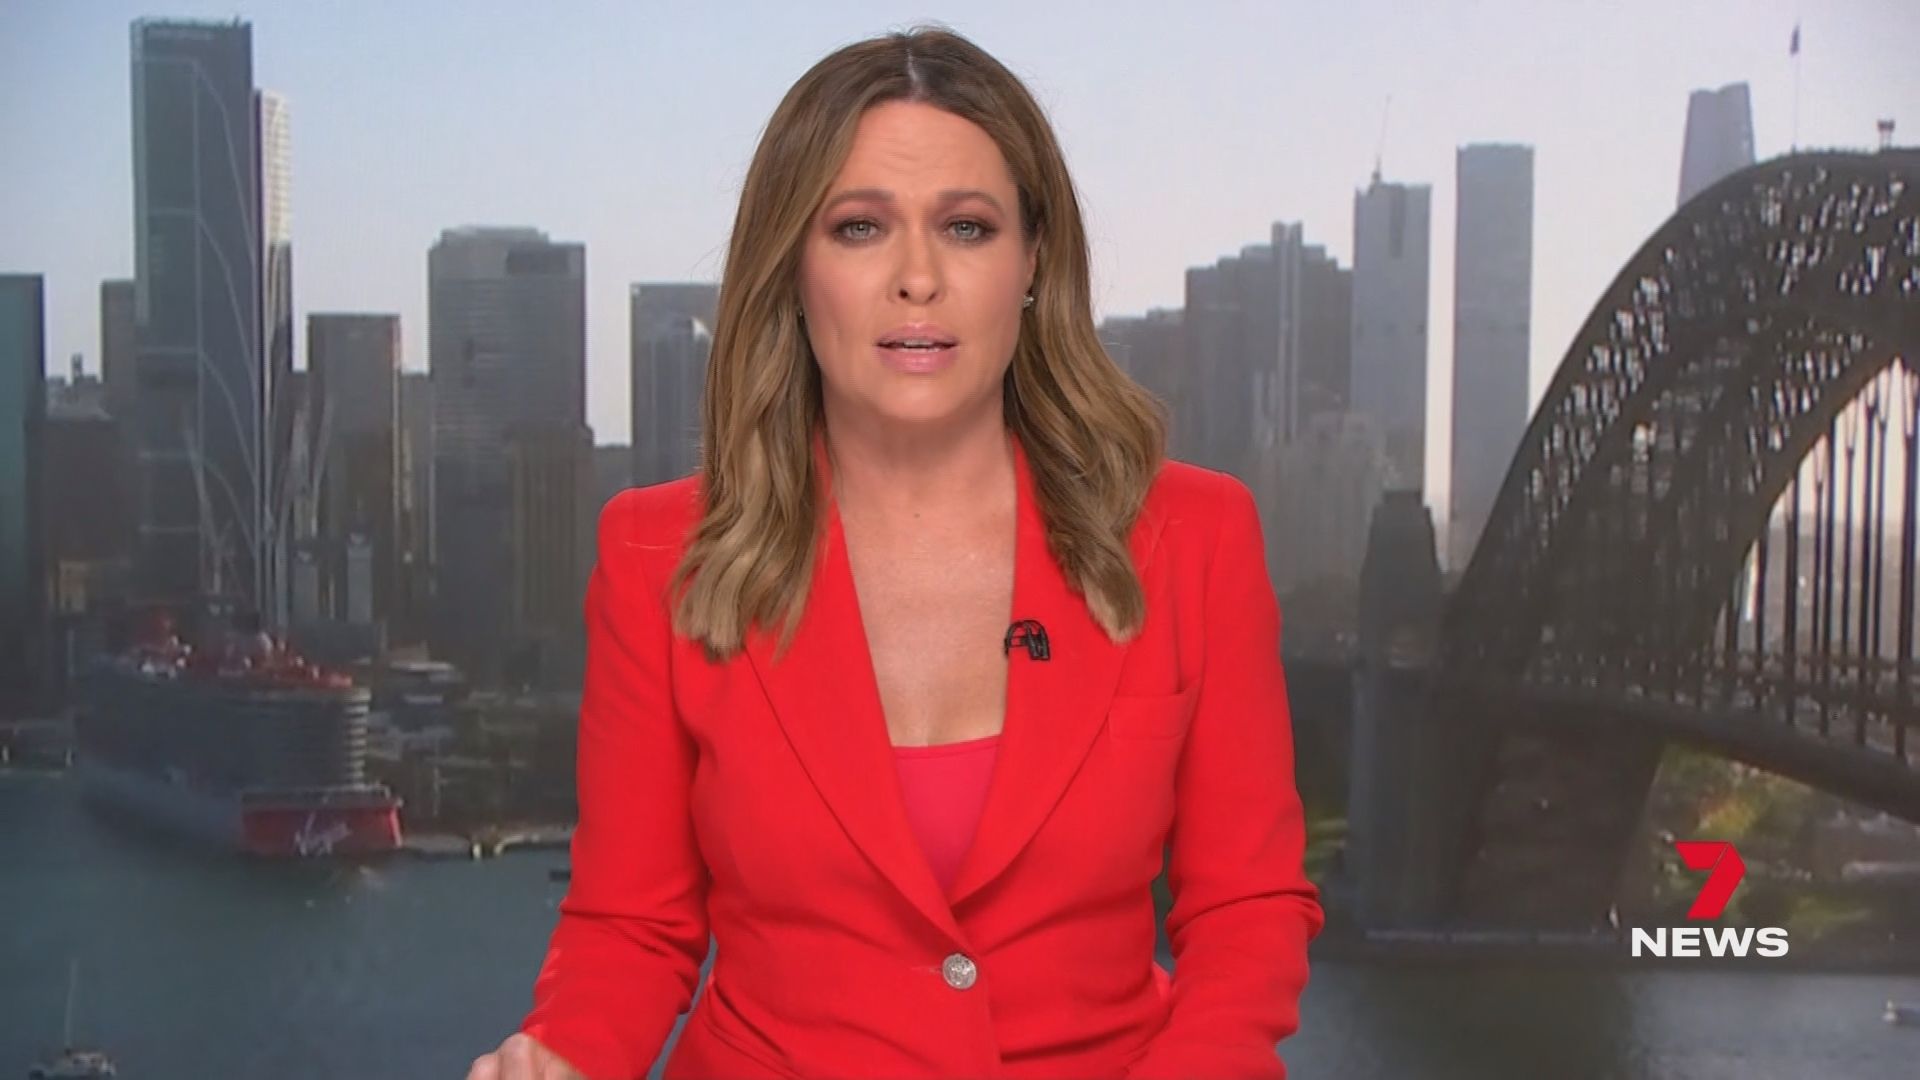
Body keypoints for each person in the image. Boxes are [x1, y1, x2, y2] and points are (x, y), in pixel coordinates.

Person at [468, 25, 1322, 1080]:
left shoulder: (1193, 538)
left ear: (1033, 262)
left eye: (966, 227)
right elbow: (631, 926)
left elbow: (1246, 907)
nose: (917, 277)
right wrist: (563, 1057)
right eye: (860, 228)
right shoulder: (656, 556)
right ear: (793, 266)